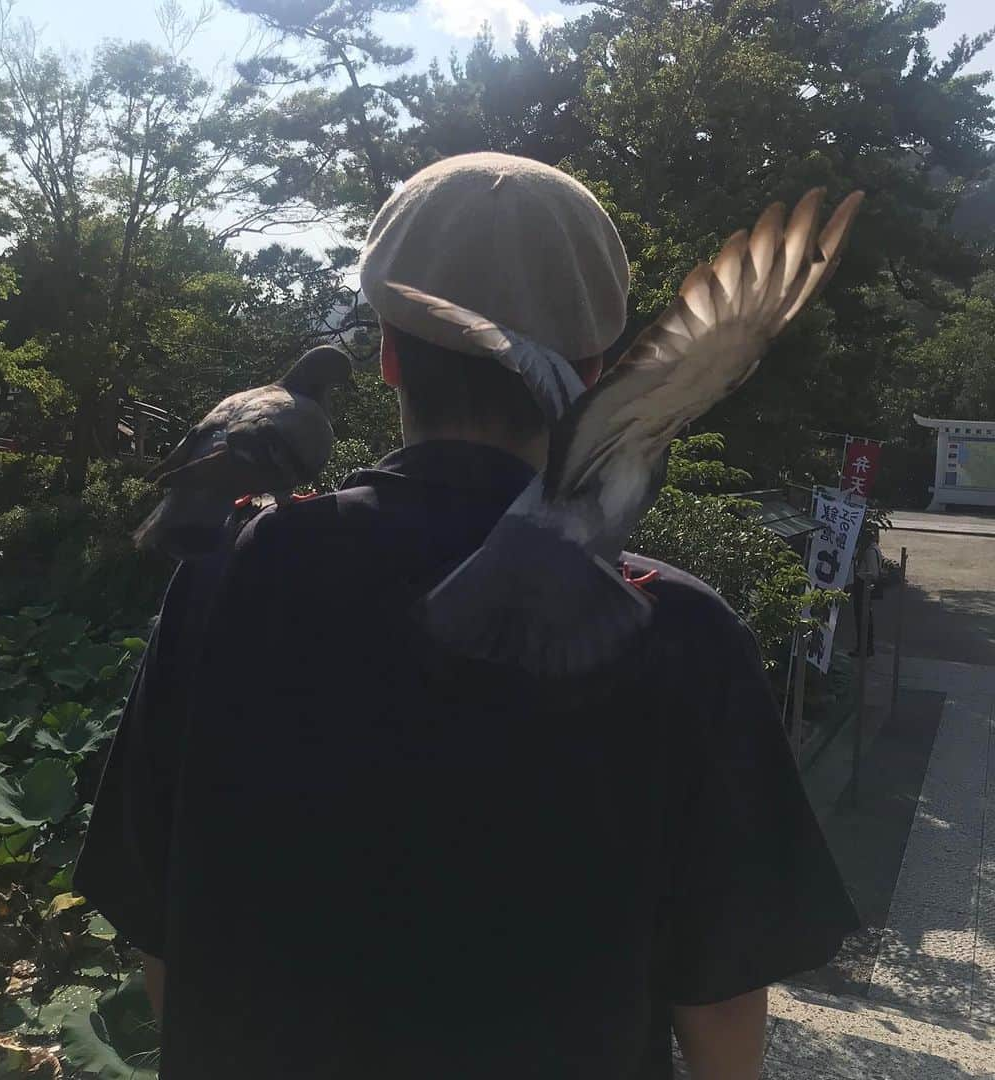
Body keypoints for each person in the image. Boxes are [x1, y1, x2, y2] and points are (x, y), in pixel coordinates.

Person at [75, 153, 859, 1080]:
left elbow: (159, 940)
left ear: (387, 354)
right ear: (601, 364)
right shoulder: (681, 630)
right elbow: (722, 998)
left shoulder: (228, 578)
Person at [849, 527, 883, 658]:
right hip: (864, 585)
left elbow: (873, 573)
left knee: (863, 619)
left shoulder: (870, 551)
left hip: (864, 585)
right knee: (865, 618)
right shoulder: (874, 549)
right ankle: (865, 647)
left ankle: (864, 648)